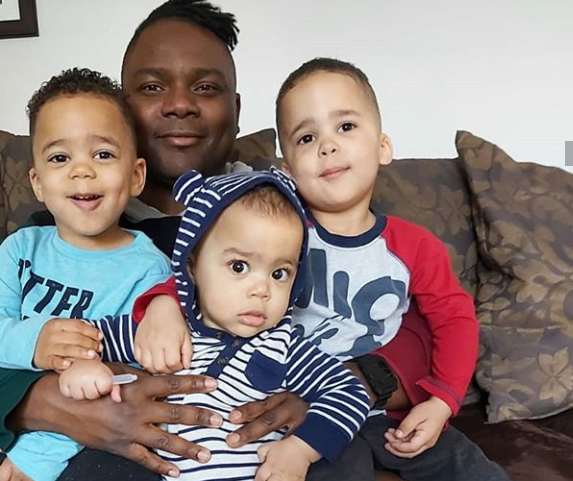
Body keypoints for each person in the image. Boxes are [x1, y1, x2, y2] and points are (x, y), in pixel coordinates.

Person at [0, 0, 422, 481]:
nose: (180, 104)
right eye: (153, 87)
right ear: (123, 108)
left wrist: (350, 388)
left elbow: (419, 325)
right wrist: (58, 407)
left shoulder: (295, 211)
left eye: (205, 87)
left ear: (236, 109)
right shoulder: (57, 234)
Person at [274, 58, 510, 480]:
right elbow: (212, 275)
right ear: (287, 170)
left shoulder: (416, 245)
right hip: (309, 413)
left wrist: (442, 400)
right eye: (307, 137)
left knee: (473, 470)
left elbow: (454, 320)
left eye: (345, 126)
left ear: (383, 147)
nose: (327, 146)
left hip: (389, 413)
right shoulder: (277, 236)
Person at [86, 169, 370, 481]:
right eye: (239, 266)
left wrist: (300, 450)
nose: (262, 289)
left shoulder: (284, 347)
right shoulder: (166, 331)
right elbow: (87, 339)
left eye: (279, 273)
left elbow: (349, 392)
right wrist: (82, 366)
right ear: (192, 267)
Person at [0, 67, 179, 481]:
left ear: (136, 175)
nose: (83, 171)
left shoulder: (149, 269)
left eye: (103, 154)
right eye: (60, 158)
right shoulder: (20, 249)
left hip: (85, 444)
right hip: (12, 425)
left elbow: (130, 384)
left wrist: (39, 455)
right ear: (37, 182)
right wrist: (37, 342)